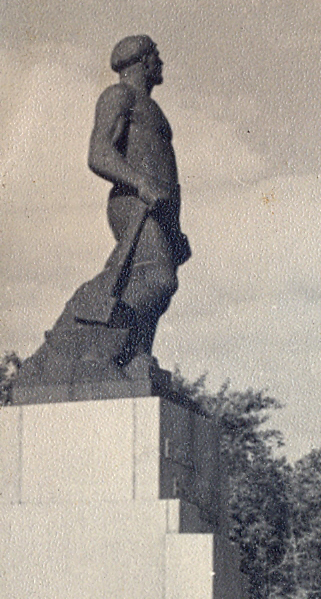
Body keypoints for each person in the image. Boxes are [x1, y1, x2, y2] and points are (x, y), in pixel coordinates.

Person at [12, 34, 192, 389]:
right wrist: (140, 183)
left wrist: (175, 227)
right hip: (133, 201)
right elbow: (99, 154)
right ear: (142, 61)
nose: (161, 63)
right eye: (156, 56)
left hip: (160, 210)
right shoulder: (119, 96)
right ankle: (96, 349)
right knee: (156, 277)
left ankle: (136, 356)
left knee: (152, 282)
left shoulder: (151, 107)